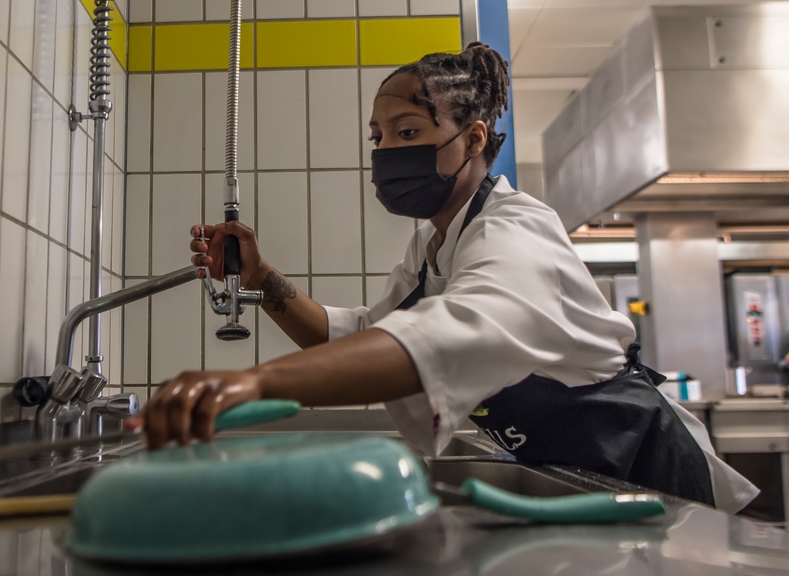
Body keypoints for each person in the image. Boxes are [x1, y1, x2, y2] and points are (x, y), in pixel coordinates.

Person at [126, 43, 758, 513]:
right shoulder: (432, 245)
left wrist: (250, 382)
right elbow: (357, 335)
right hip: (589, 485)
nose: (386, 152)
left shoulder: (514, 229)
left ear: (473, 137)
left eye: (408, 132)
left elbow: (452, 333)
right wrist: (262, 279)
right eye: (378, 136)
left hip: (660, 487)